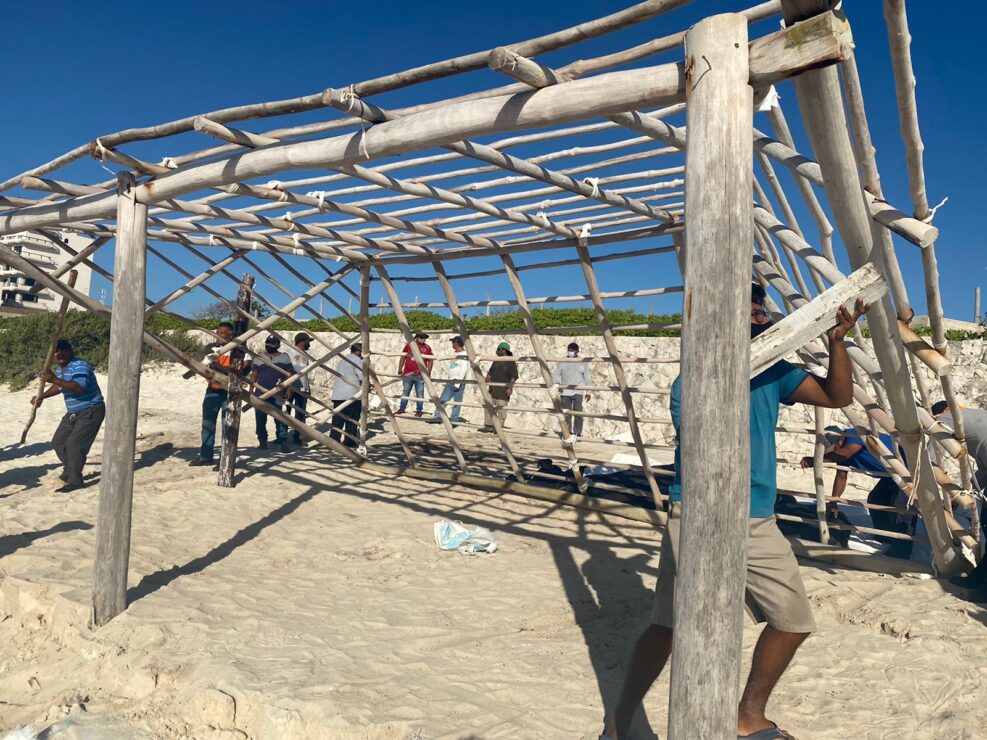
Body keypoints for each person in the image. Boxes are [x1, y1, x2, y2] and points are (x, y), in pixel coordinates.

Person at [602, 284, 868, 740]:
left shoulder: (775, 372)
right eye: (748, 306)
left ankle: (747, 716)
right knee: (669, 627)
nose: (759, 312)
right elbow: (705, 443)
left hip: (758, 514)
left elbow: (836, 397)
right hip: (699, 513)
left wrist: (836, 342)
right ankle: (617, 725)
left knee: (793, 619)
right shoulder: (693, 379)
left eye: (761, 305)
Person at [799, 427, 912, 558]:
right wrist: (834, 501)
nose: (835, 450)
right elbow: (841, 476)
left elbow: (846, 453)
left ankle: (902, 549)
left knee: (903, 510)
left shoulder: (854, 435)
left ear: (841, 439)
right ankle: (884, 536)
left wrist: (815, 460)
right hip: (891, 475)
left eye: (836, 446)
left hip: (907, 471)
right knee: (876, 500)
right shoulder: (840, 452)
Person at [31, 339, 106, 492]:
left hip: (91, 410)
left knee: (74, 445)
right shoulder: (60, 370)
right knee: (59, 442)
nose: (59, 354)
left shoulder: (80, 365)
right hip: (73, 413)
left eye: (62, 349)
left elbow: (79, 387)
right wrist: (41, 397)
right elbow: (58, 387)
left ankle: (75, 481)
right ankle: (70, 469)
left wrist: (54, 379)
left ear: (70, 350)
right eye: (55, 351)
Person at [933, 401, 987, 595]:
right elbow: (983, 473)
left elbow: (931, 434)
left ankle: (980, 588)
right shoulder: (979, 416)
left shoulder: (951, 416)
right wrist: (961, 495)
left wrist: (928, 467)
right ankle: (977, 581)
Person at [188, 321, 252, 467]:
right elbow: (206, 366)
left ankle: (225, 458)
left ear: (231, 335)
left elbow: (243, 370)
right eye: (217, 332)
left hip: (230, 393)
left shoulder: (240, 351)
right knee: (207, 425)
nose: (218, 335)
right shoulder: (211, 349)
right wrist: (226, 369)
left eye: (222, 333)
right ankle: (206, 457)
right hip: (212, 390)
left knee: (227, 426)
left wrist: (217, 366)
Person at [248, 335, 295, 452]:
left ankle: (282, 442)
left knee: (280, 418)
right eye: (267, 343)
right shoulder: (260, 357)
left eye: (272, 343)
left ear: (278, 345)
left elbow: (289, 375)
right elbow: (254, 373)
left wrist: (289, 389)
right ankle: (262, 441)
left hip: (278, 393)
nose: (269, 345)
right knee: (260, 419)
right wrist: (251, 390)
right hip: (261, 393)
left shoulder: (284, 357)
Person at [552, 341, 592, 437]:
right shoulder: (563, 361)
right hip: (565, 392)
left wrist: (588, 392)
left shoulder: (582, 362)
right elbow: (557, 374)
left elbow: (587, 377)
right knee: (566, 413)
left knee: (578, 412)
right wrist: (557, 385)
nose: (570, 352)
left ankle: (578, 432)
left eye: (572, 350)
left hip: (577, 391)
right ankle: (567, 432)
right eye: (569, 350)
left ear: (577, 351)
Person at [330, 342, 364, 448]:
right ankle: (349, 441)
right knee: (352, 420)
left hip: (338, 394)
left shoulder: (343, 360)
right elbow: (362, 378)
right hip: (352, 393)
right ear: (358, 351)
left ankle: (334, 441)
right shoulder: (357, 360)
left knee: (337, 420)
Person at [429, 335, 469, 424]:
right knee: (443, 399)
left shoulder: (464, 355)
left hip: (458, 381)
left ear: (457, 343)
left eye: (453, 342)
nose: (452, 344)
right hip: (450, 380)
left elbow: (464, 369)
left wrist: (458, 383)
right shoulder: (455, 353)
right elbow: (451, 367)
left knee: (457, 402)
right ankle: (437, 416)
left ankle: (454, 419)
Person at [284, 332, 314, 446]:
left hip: (303, 388)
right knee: (286, 412)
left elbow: (305, 374)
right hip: (290, 387)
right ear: (302, 341)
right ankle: (282, 436)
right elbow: (285, 371)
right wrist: (287, 386)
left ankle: (298, 437)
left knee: (300, 414)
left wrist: (308, 387)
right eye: (308, 342)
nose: (309, 344)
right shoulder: (289, 352)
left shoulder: (306, 355)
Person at [482, 341, 518, 430]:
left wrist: (510, 388)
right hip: (493, 389)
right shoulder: (497, 360)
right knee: (488, 407)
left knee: (501, 410)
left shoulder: (511, 362)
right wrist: (486, 379)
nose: (497, 351)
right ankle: (488, 425)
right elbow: (491, 372)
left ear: (504, 350)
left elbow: (513, 377)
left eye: (499, 349)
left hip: (503, 390)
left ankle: (498, 427)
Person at [395, 332, 432, 417]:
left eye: (424, 338)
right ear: (417, 338)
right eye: (421, 338)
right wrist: (400, 369)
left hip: (420, 375)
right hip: (408, 374)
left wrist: (428, 373)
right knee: (405, 392)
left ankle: (419, 410)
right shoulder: (409, 345)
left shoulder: (427, 348)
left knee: (420, 393)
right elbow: (403, 356)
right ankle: (402, 408)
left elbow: (430, 361)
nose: (423, 339)